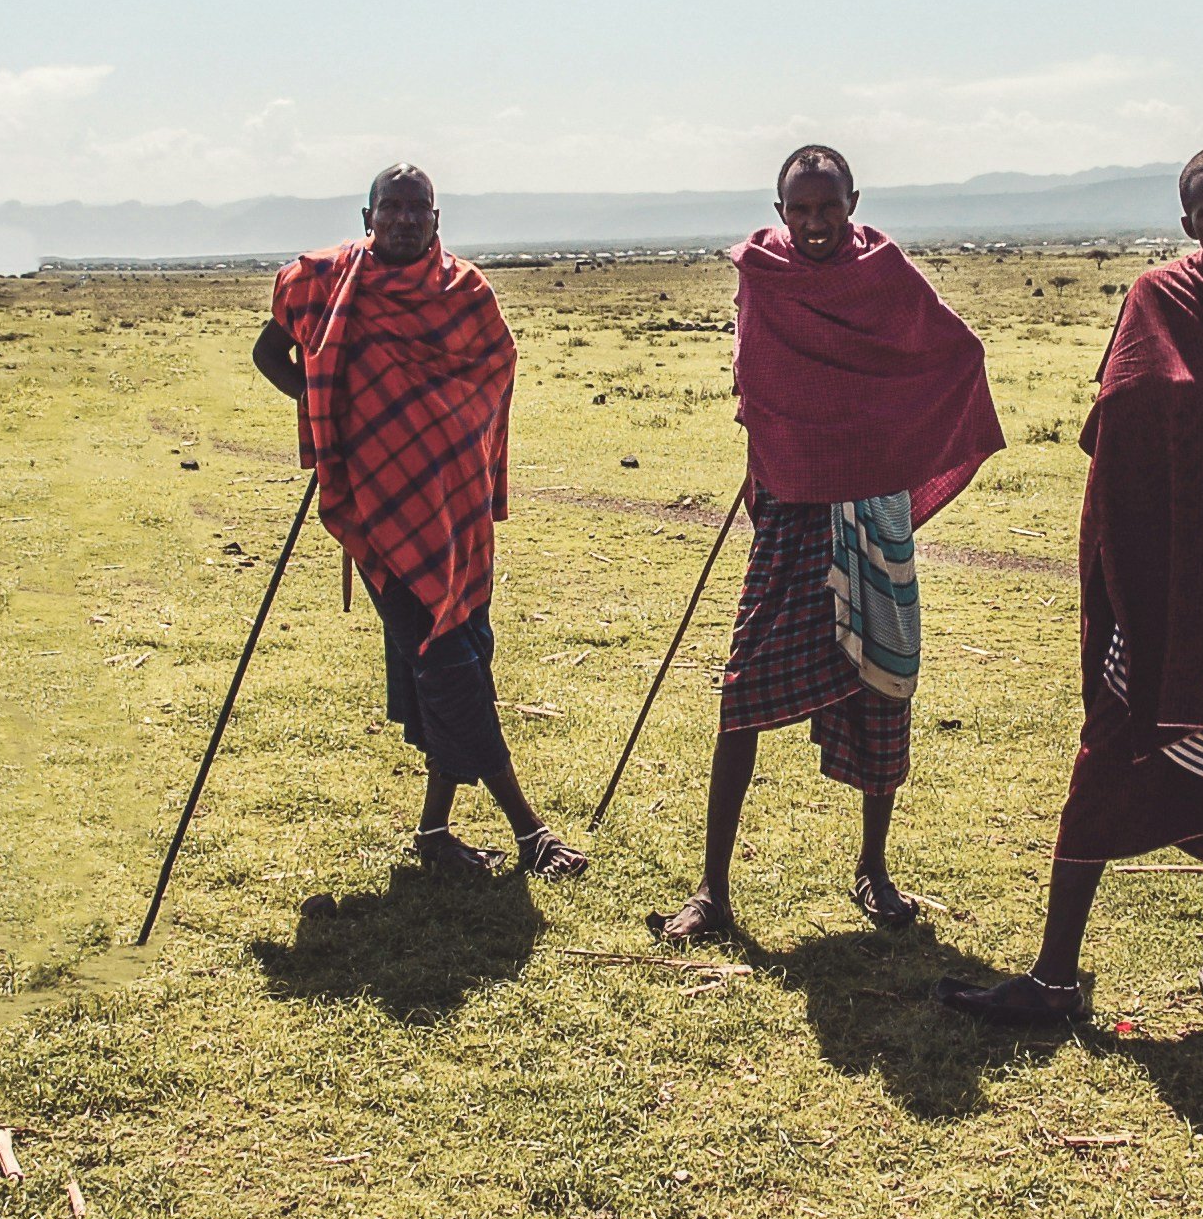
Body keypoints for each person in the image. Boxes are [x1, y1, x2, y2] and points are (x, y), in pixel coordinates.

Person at [938, 147, 1203, 1028]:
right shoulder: (1159, 299)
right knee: (1108, 766)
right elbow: (1120, 424)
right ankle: (1052, 979)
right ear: (1188, 222)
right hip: (1161, 586)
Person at [657, 144, 1006, 942]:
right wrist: (768, 421)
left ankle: (873, 867)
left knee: (884, 685)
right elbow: (756, 375)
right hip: (788, 505)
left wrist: (887, 431)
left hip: (870, 505)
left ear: (854, 200)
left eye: (829, 207)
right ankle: (712, 889)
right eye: (801, 210)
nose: (815, 224)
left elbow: (951, 352)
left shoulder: (882, 272)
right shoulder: (761, 274)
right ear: (780, 211)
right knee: (743, 690)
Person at [251, 164, 588, 881]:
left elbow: (497, 371)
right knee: (445, 662)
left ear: (439, 219)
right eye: (391, 208)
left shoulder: (466, 296)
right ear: (367, 214)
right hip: (377, 509)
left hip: (454, 511)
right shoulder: (325, 283)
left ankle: (434, 831)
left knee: (463, 648)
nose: (404, 220)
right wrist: (325, 413)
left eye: (418, 210)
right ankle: (531, 832)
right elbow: (269, 351)